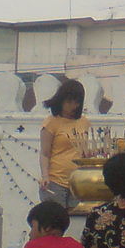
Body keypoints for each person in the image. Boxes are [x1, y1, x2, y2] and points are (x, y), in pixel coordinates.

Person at [39, 78, 89, 209]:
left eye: (76, 102)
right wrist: (45, 176)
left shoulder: (84, 122)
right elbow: (45, 153)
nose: (73, 106)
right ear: (61, 100)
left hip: (78, 182)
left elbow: (85, 152)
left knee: (75, 222)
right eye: (69, 102)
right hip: (56, 182)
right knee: (55, 222)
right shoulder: (51, 123)